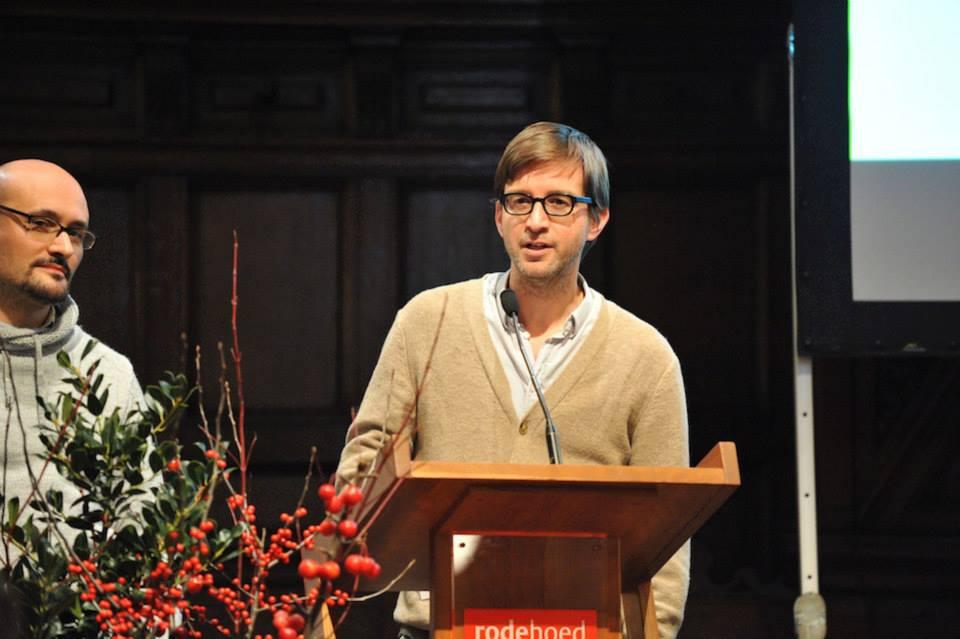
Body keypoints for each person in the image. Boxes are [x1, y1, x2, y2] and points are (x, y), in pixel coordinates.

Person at [336, 122, 690, 639]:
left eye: (559, 203)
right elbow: (362, 474)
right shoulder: (428, 321)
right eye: (520, 202)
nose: (536, 222)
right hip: (441, 626)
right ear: (499, 216)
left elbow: (668, 533)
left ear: (597, 220)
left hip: (583, 629)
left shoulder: (645, 356)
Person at [0, 159, 144, 566]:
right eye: (41, 223)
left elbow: (143, 528)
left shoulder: (108, 376)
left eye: (76, 233)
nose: (63, 246)